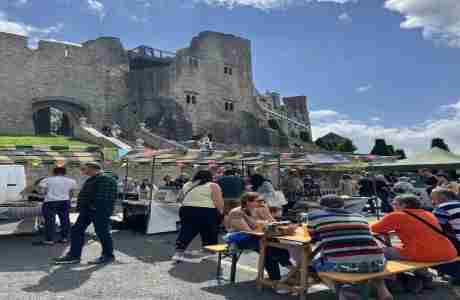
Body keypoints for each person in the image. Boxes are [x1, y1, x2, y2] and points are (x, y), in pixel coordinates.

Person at [308, 195, 392, 300]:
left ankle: (342, 292)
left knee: (316, 265)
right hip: (378, 263)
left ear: (321, 206)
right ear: (343, 205)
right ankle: (383, 291)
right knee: (370, 257)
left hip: (345, 265)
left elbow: (314, 237)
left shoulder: (314, 216)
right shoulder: (359, 216)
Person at [371, 194, 457, 290]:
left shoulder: (398, 215)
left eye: (394, 203)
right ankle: (425, 277)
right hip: (448, 251)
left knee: (379, 252)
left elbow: (374, 228)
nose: (392, 205)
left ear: (403, 205)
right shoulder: (428, 213)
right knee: (409, 250)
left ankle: (391, 281)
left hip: (425, 253)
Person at [225, 192, 292, 294]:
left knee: (274, 245)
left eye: (263, 201)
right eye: (259, 201)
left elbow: (274, 224)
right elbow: (247, 231)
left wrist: (267, 213)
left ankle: (285, 274)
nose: (262, 203)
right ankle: (285, 274)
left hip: (258, 238)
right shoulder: (237, 212)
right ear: (248, 202)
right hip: (240, 239)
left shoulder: (259, 210)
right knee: (267, 248)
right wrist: (264, 227)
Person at [54, 162, 118, 265]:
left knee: (102, 232)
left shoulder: (105, 178)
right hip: (88, 210)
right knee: (76, 230)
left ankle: (108, 255)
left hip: (98, 211)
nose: (82, 171)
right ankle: (74, 256)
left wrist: (94, 208)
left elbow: (104, 198)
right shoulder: (94, 178)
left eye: (84, 168)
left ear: (92, 168)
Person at [173, 170, 224, 262]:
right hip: (206, 210)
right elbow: (218, 202)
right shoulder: (213, 185)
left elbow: (179, 198)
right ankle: (209, 252)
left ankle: (179, 252)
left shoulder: (187, 184)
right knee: (209, 231)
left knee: (186, 230)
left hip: (186, 209)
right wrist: (221, 213)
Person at [33, 167, 77, 246]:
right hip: (65, 202)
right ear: (65, 173)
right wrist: (68, 200)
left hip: (50, 202)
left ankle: (49, 240)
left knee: (50, 221)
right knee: (65, 220)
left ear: (53, 172)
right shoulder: (72, 181)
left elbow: (42, 192)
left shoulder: (46, 180)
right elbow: (71, 193)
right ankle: (65, 238)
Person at [431, 188, 460, 283]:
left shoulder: (442, 207)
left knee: (425, 251)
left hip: (457, 245)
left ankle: (456, 273)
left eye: (433, 198)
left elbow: (434, 228)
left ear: (442, 197)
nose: (432, 201)